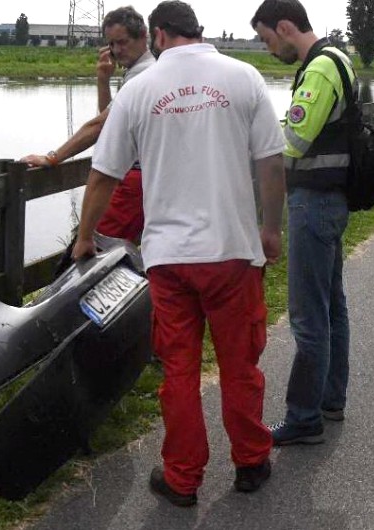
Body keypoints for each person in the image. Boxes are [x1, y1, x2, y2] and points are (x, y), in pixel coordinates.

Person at [73, 0, 287, 507]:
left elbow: (103, 175)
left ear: (159, 35)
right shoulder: (244, 77)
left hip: (169, 259)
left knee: (180, 371)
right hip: (233, 252)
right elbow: (271, 164)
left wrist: (85, 238)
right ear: (197, 31)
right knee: (240, 365)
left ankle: (182, 477)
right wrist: (271, 229)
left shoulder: (139, 90)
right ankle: (251, 462)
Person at [252, 0, 354, 446]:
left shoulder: (319, 69)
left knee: (308, 315)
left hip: (313, 203)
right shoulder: (338, 58)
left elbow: (293, 141)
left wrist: (251, 134)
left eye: (267, 39)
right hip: (332, 200)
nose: (268, 49)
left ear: (286, 26)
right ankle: (330, 399)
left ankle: (303, 417)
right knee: (331, 306)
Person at [20, 7, 155, 274]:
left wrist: (53, 157)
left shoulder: (143, 74)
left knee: (93, 253)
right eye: (111, 43)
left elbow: (98, 127)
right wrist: (103, 80)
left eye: (123, 42)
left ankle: (76, 312)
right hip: (142, 180)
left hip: (134, 181)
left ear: (144, 37)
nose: (116, 50)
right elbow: (113, 126)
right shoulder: (140, 71)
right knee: (114, 254)